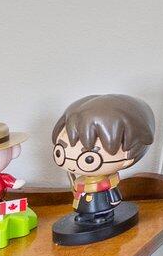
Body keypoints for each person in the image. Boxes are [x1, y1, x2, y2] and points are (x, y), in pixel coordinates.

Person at [49, 93, 155, 246]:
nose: (72, 163)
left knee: (100, 207)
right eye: (60, 151)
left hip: (101, 198)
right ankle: (85, 217)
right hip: (84, 197)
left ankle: (101, 216)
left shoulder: (108, 179)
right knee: (84, 208)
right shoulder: (77, 177)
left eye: (89, 158)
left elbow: (111, 184)